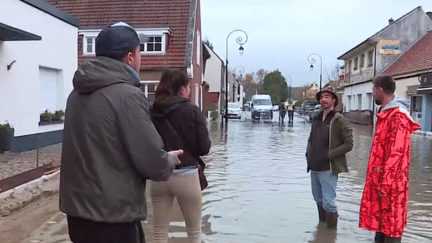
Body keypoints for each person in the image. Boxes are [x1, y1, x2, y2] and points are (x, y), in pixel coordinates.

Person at [60, 22, 182, 243]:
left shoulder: (75, 95)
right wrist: (168, 161)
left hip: (77, 214)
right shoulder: (127, 96)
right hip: (114, 216)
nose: (141, 58)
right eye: (139, 52)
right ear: (130, 57)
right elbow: (150, 159)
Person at [150, 69, 211, 243]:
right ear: (183, 89)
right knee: (193, 233)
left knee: (159, 233)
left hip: (160, 175)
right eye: (189, 87)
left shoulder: (152, 111)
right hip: (187, 176)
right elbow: (204, 148)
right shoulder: (192, 110)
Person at [359, 76, 420, 243]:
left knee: (392, 228)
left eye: (372, 90)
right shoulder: (386, 113)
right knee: (381, 227)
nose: (372, 94)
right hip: (382, 183)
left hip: (391, 186)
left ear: (380, 91)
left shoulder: (398, 116)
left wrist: (385, 185)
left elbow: (397, 153)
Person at [305, 86, 353, 230]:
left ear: (333, 99)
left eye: (327, 96)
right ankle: (322, 231)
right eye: (321, 97)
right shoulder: (317, 117)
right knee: (318, 199)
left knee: (329, 202)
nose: (323, 99)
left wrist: (329, 155)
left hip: (328, 168)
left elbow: (349, 144)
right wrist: (308, 154)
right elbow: (311, 138)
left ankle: (331, 235)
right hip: (314, 167)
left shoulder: (339, 120)